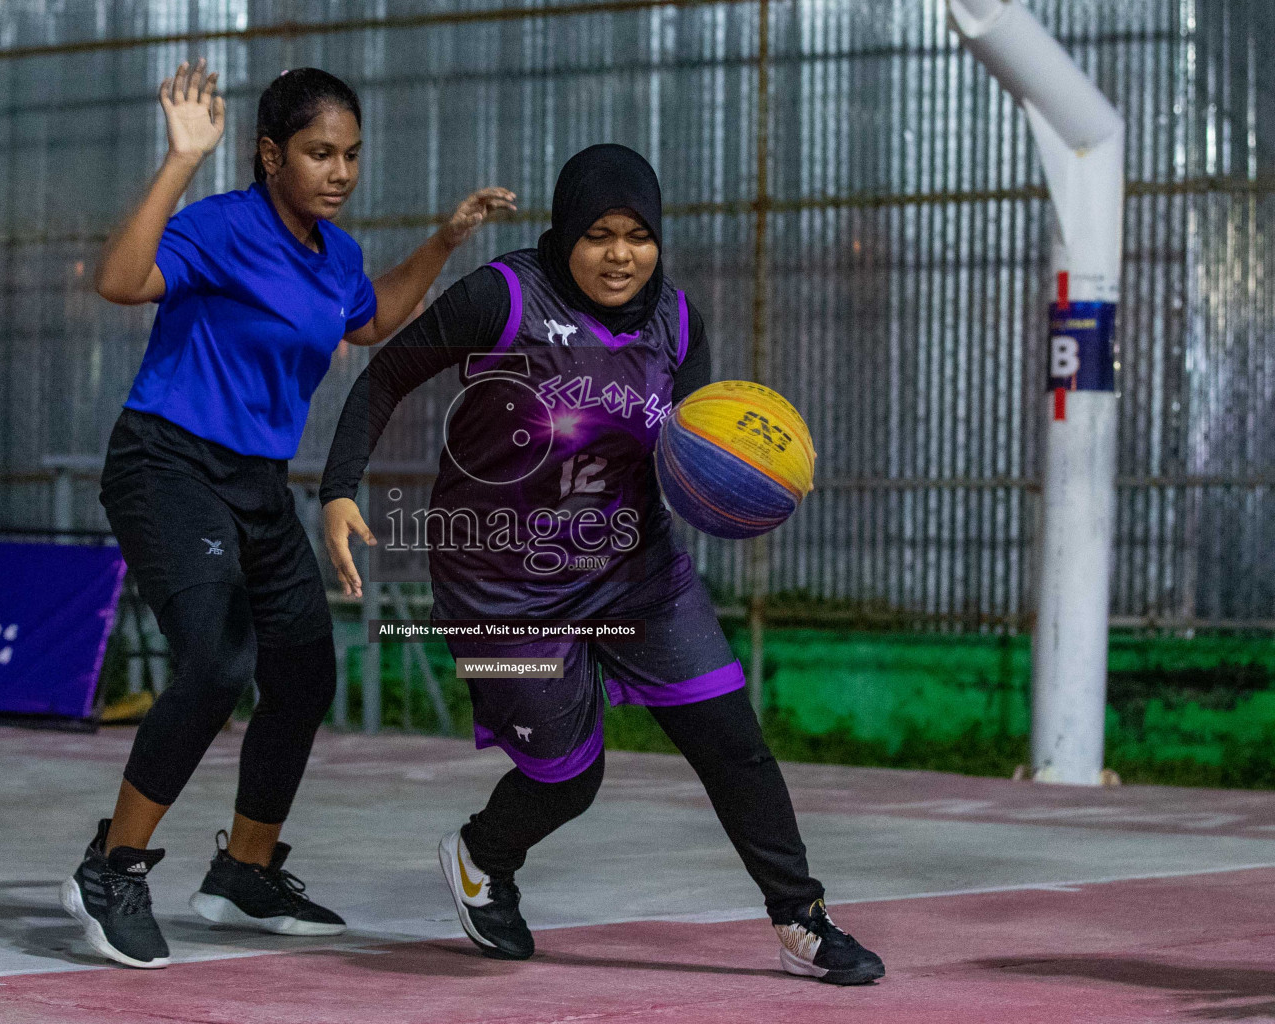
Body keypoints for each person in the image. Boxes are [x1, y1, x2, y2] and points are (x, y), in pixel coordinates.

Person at [320, 144, 884, 985]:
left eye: (637, 236)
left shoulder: (679, 321)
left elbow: (690, 452)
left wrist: (738, 484)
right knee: (568, 777)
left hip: (636, 571)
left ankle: (800, 916)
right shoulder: (505, 298)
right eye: (598, 235)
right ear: (565, 234)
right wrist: (338, 491)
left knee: (734, 744)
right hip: (498, 588)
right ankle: (481, 856)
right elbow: (386, 376)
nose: (620, 254)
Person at [63, 60, 515, 969]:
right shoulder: (223, 227)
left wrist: (445, 239)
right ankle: (110, 866)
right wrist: (181, 159)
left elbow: (368, 318)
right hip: (167, 465)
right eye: (318, 153)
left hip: (257, 483)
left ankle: (244, 871)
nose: (340, 170)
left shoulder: (334, 251)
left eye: (351, 154)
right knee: (220, 659)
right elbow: (119, 280)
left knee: (303, 671)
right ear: (271, 155)